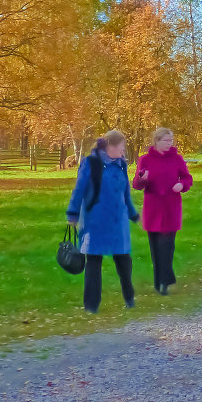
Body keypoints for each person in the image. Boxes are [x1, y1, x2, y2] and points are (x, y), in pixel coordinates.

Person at [66, 130, 140, 313]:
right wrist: (73, 214)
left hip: (118, 221)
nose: (123, 152)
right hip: (95, 221)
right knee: (93, 262)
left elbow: (126, 195)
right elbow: (79, 190)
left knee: (124, 260)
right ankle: (91, 306)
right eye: (122, 147)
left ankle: (130, 298)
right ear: (110, 146)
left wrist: (134, 215)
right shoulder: (90, 163)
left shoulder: (122, 165)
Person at [132, 127, 193, 295]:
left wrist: (182, 185)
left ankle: (164, 282)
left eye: (171, 140)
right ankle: (159, 281)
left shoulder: (177, 159)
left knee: (167, 246)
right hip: (152, 208)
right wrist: (142, 179)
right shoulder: (145, 160)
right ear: (157, 141)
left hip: (171, 208)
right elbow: (136, 184)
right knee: (155, 247)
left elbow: (187, 178)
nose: (169, 143)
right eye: (166, 140)